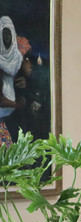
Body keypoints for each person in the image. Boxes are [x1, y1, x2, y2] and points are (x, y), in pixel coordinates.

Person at [0, 16, 24, 146]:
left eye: (9, 34)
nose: (7, 39)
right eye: (4, 35)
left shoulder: (17, 58)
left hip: (10, 118)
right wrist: (18, 105)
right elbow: (1, 100)